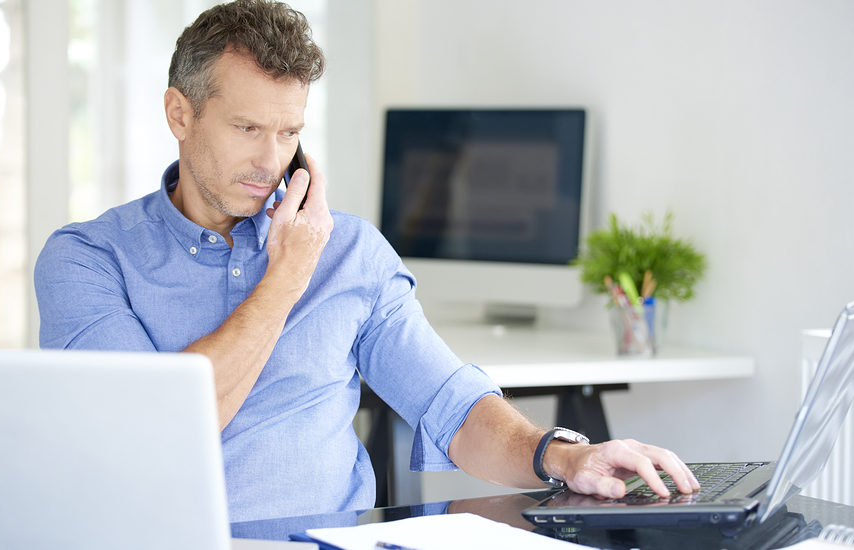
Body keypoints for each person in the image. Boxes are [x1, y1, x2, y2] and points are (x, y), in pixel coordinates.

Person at [35, 0, 699, 521]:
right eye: (247, 129)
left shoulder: (349, 250)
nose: (271, 161)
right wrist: (289, 273)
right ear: (180, 114)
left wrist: (565, 456)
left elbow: (453, 406)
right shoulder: (88, 259)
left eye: (289, 131)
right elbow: (152, 433)